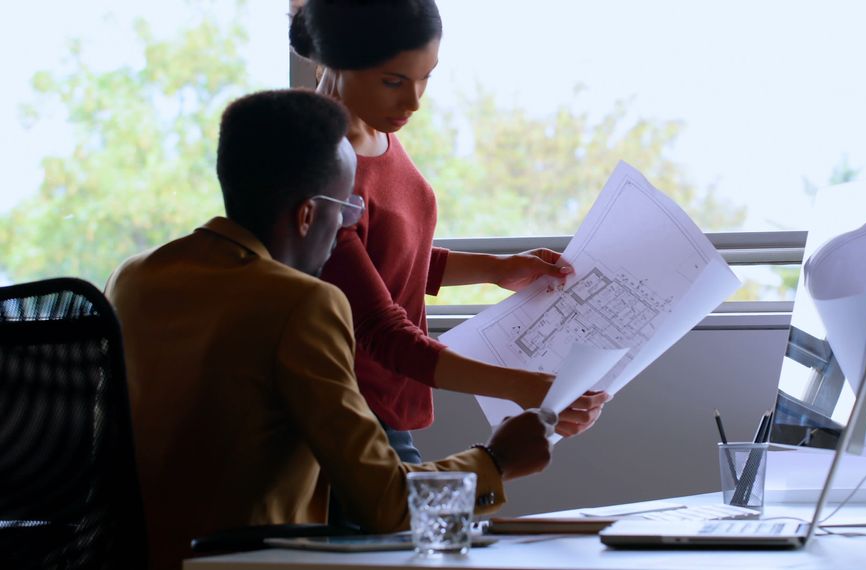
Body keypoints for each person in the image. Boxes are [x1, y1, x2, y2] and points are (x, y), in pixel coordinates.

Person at [105, 89, 556, 570]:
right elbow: (385, 504)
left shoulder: (133, 277)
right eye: (347, 210)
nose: (349, 224)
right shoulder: (301, 304)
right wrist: (498, 460)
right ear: (306, 215)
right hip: (244, 563)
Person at [289, 0, 609, 465]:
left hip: (382, 402)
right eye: (394, 81)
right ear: (337, 61)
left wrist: (497, 269)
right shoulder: (322, 166)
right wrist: (523, 386)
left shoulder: (377, 131)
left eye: (426, 77)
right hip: (342, 411)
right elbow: (381, 330)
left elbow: (391, 256)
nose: (413, 100)